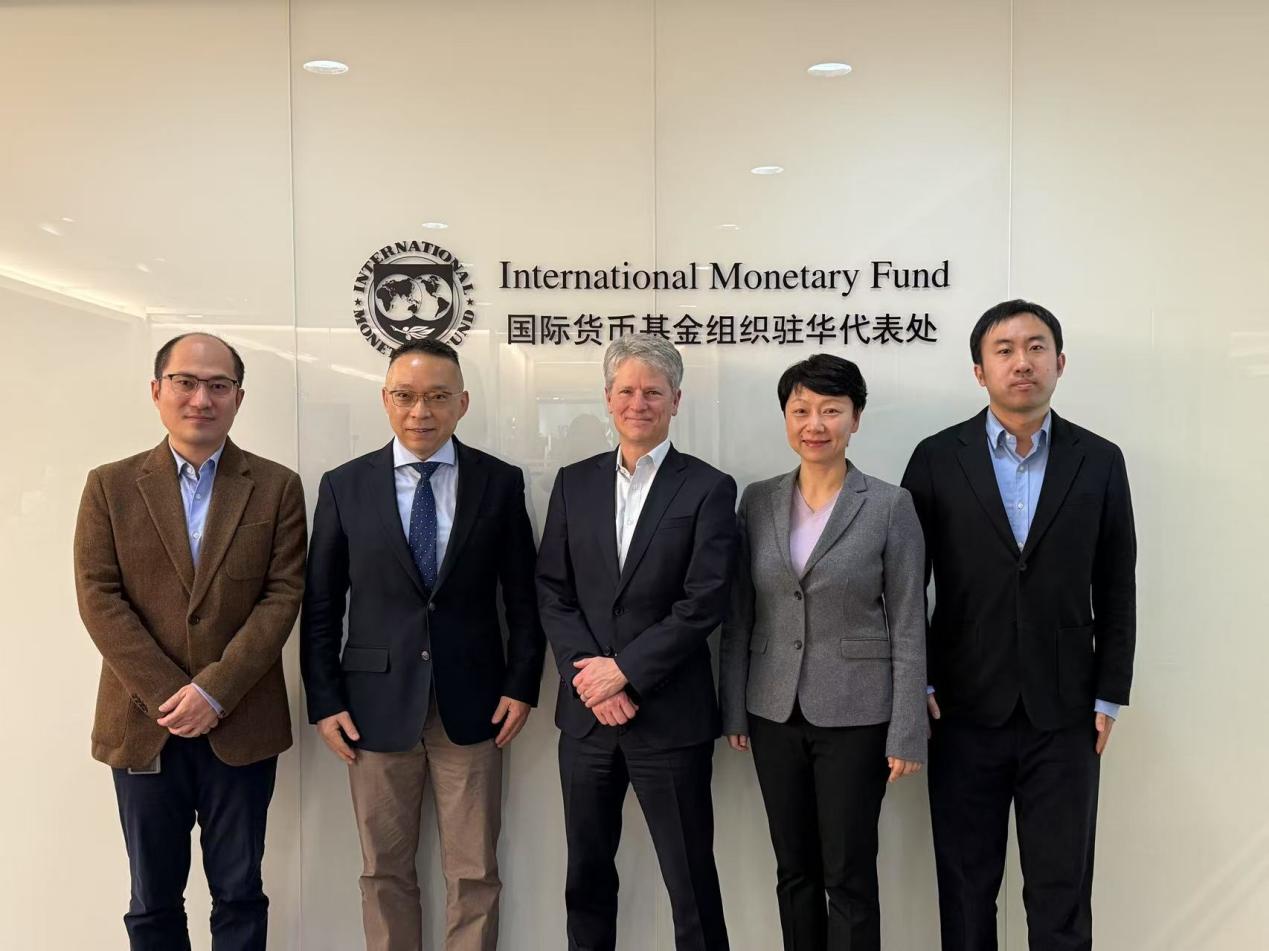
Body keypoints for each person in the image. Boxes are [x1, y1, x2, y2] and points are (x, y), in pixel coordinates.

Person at [901, 300, 1137, 951]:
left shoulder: (1099, 459)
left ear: (1059, 362)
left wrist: (1108, 693)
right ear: (979, 370)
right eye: (1003, 350)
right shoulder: (935, 458)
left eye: (1035, 347)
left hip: (1066, 713)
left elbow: (1116, 583)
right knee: (965, 889)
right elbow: (905, 584)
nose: (1021, 362)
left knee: (1061, 892)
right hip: (959, 709)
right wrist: (918, 682)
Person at [301, 338, 544, 951]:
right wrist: (325, 700)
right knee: (383, 871)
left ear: (463, 403)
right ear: (385, 400)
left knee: (475, 872)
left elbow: (523, 598)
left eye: (437, 396)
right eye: (406, 396)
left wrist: (521, 684)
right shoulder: (344, 485)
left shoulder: (498, 482)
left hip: (477, 704)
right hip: (372, 708)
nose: (421, 412)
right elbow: (322, 605)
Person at [74, 332, 306, 950]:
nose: (201, 398)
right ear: (157, 390)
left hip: (242, 720)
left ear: (238, 398)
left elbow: (282, 597)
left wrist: (215, 690)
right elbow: (99, 599)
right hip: (143, 722)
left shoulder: (277, 486)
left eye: (218, 386)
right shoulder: (110, 486)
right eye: (186, 382)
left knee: (240, 894)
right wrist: (172, 694)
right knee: (152, 900)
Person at [718, 353, 926, 951]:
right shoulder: (757, 500)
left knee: (849, 874)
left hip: (858, 714)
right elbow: (740, 614)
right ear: (786, 418)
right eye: (801, 410)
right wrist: (734, 709)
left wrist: (907, 729)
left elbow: (909, 621)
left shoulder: (889, 504)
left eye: (831, 410)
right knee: (794, 869)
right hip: (772, 709)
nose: (815, 424)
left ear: (855, 419)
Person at [536, 333, 737, 951]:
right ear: (607, 398)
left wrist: (624, 671)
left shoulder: (708, 487)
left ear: (676, 400)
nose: (638, 402)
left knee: (690, 881)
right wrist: (591, 678)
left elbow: (704, 600)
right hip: (587, 718)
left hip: (669, 716)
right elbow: (553, 591)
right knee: (586, 878)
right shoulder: (572, 483)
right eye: (626, 390)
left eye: (653, 391)